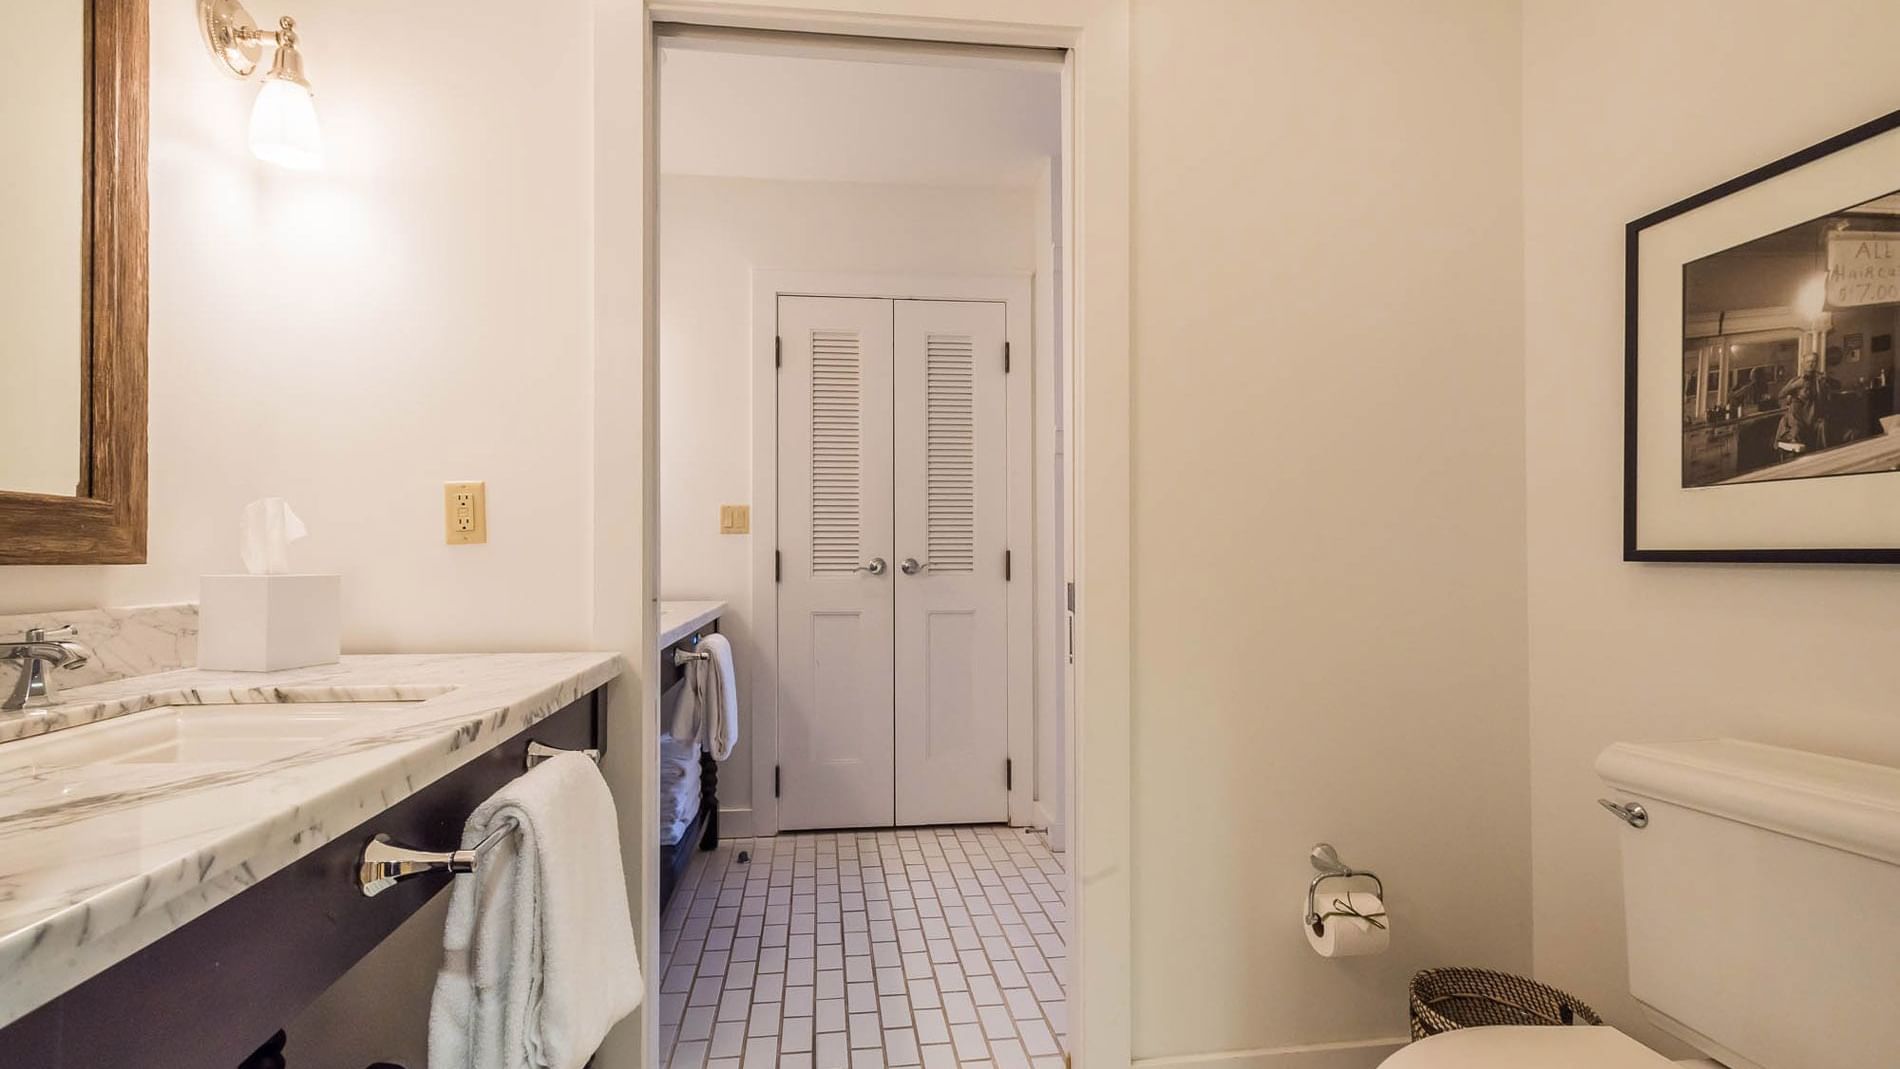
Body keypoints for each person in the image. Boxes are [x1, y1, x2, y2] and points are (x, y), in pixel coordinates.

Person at [1776, 352, 1839, 453]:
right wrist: (1794, 386)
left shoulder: (1821, 379)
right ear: (1803, 363)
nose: (1811, 364)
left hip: (1815, 417)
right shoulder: (1796, 380)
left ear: (1816, 363)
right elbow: (1780, 395)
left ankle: (1823, 453)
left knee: (1823, 425)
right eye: (1808, 361)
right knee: (1796, 429)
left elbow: (1837, 387)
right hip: (1800, 418)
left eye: (1813, 361)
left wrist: (1827, 381)